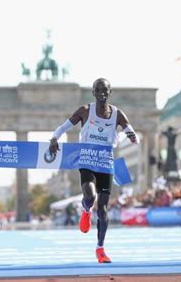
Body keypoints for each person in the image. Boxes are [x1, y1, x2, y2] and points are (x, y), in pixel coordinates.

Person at [49, 78, 139, 263]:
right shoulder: (85, 111)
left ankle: (100, 248)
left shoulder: (118, 114)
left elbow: (134, 137)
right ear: (93, 92)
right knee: (90, 196)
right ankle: (86, 209)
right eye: (98, 90)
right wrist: (53, 139)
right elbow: (64, 127)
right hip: (87, 159)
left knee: (104, 209)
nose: (102, 93)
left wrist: (132, 136)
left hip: (105, 162)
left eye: (105, 90)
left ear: (109, 92)